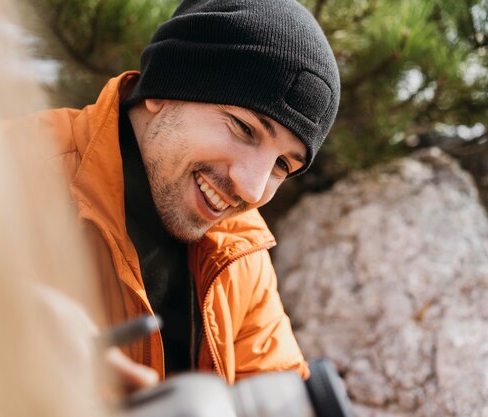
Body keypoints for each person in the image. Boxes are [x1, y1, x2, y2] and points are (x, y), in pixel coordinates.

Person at [19, 0, 340, 385]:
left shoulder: (240, 253)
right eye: (243, 128)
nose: (252, 188)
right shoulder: (5, 171)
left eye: (282, 165)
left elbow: (275, 391)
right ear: (163, 89)